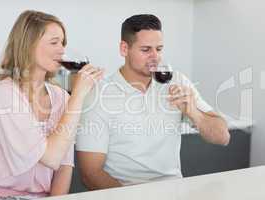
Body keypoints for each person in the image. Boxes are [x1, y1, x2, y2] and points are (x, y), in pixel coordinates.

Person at [75, 14, 230, 189]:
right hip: (124, 193)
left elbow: (223, 137)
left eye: (159, 49)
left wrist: (194, 113)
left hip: (173, 191)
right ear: (124, 49)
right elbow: (91, 173)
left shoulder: (177, 82)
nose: (155, 57)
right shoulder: (99, 94)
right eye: (146, 49)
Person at [0, 10, 104, 199]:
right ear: (28, 45)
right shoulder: (4, 93)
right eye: (54, 42)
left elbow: (64, 164)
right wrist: (78, 94)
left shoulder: (61, 97)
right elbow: (51, 157)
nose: (62, 50)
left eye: (63, 43)